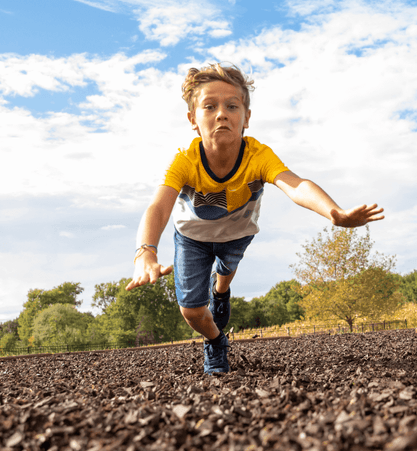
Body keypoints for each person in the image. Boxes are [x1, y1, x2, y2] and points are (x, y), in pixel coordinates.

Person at [126, 63, 384, 374]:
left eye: (232, 106)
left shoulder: (258, 156)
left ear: (246, 117)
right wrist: (146, 251)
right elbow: (158, 206)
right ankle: (216, 340)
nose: (222, 113)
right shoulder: (185, 161)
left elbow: (296, 184)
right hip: (193, 239)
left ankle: (221, 290)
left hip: (236, 233)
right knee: (191, 311)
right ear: (193, 119)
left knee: (226, 269)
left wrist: (334, 212)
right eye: (210, 106)